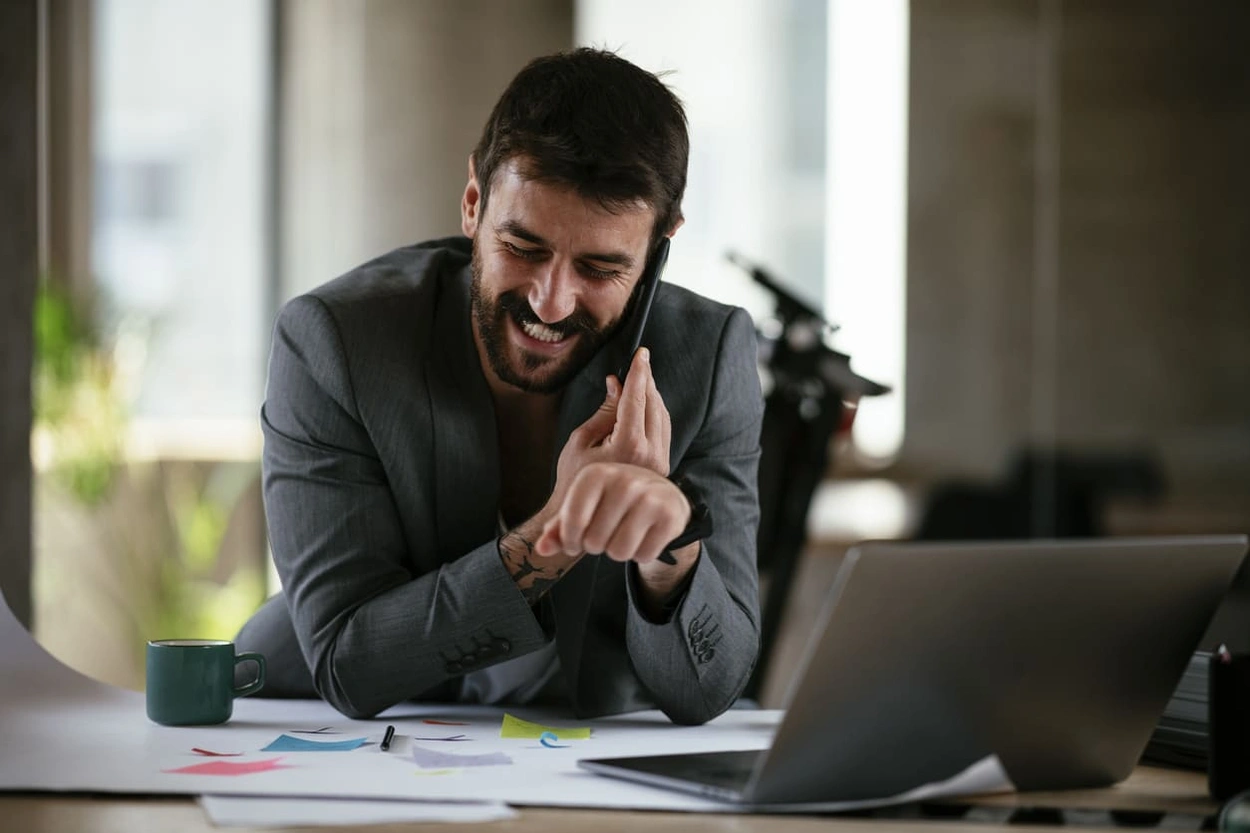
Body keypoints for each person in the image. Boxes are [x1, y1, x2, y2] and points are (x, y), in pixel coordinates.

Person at [235, 48, 763, 725]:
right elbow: (348, 661)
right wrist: (560, 529)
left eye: (600, 267)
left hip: (566, 765)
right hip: (319, 737)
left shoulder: (708, 358)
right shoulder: (333, 343)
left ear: (661, 243)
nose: (550, 302)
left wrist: (671, 547)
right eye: (523, 248)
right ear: (474, 203)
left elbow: (707, 688)